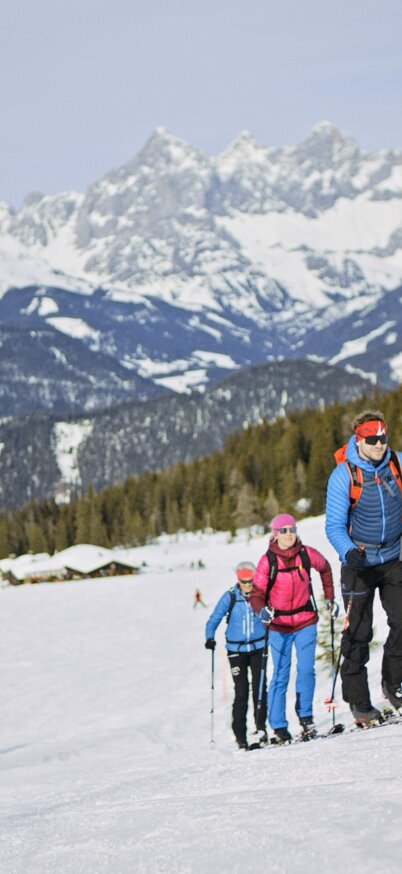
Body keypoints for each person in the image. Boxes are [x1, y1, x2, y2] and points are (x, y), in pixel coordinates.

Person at [325, 409, 402, 724]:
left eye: (383, 438)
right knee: (358, 632)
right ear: (359, 439)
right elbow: (333, 525)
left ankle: (394, 683)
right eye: (372, 440)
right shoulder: (344, 474)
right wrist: (347, 551)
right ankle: (359, 703)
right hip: (359, 562)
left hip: (394, 558)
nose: (379, 445)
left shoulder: (396, 463)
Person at [250, 514, 335, 743]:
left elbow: (325, 568)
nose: (289, 534)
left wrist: (329, 597)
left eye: (292, 529)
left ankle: (306, 717)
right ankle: (278, 725)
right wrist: (261, 611)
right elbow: (256, 594)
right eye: (284, 530)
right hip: (278, 625)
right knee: (280, 674)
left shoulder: (306, 554)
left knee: (307, 669)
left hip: (305, 620)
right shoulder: (267, 560)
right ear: (275, 533)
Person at [205, 561, 268, 750]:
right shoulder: (230, 597)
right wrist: (209, 637)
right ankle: (240, 735)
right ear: (238, 580)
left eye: (251, 581)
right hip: (236, 651)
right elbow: (214, 618)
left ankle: (261, 729)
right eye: (244, 581)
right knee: (241, 692)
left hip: (258, 648)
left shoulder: (261, 595)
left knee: (259, 690)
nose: (248, 585)